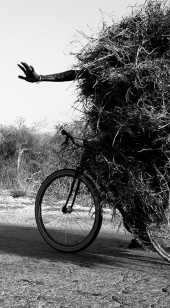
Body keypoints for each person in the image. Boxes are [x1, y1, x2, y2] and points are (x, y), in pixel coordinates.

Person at [17, 61, 151, 249]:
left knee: (117, 181)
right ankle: (141, 230)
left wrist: (41, 78)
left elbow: (74, 74)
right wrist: (40, 78)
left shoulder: (129, 75)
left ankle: (141, 225)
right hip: (116, 135)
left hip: (127, 135)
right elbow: (73, 74)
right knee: (115, 181)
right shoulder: (104, 74)